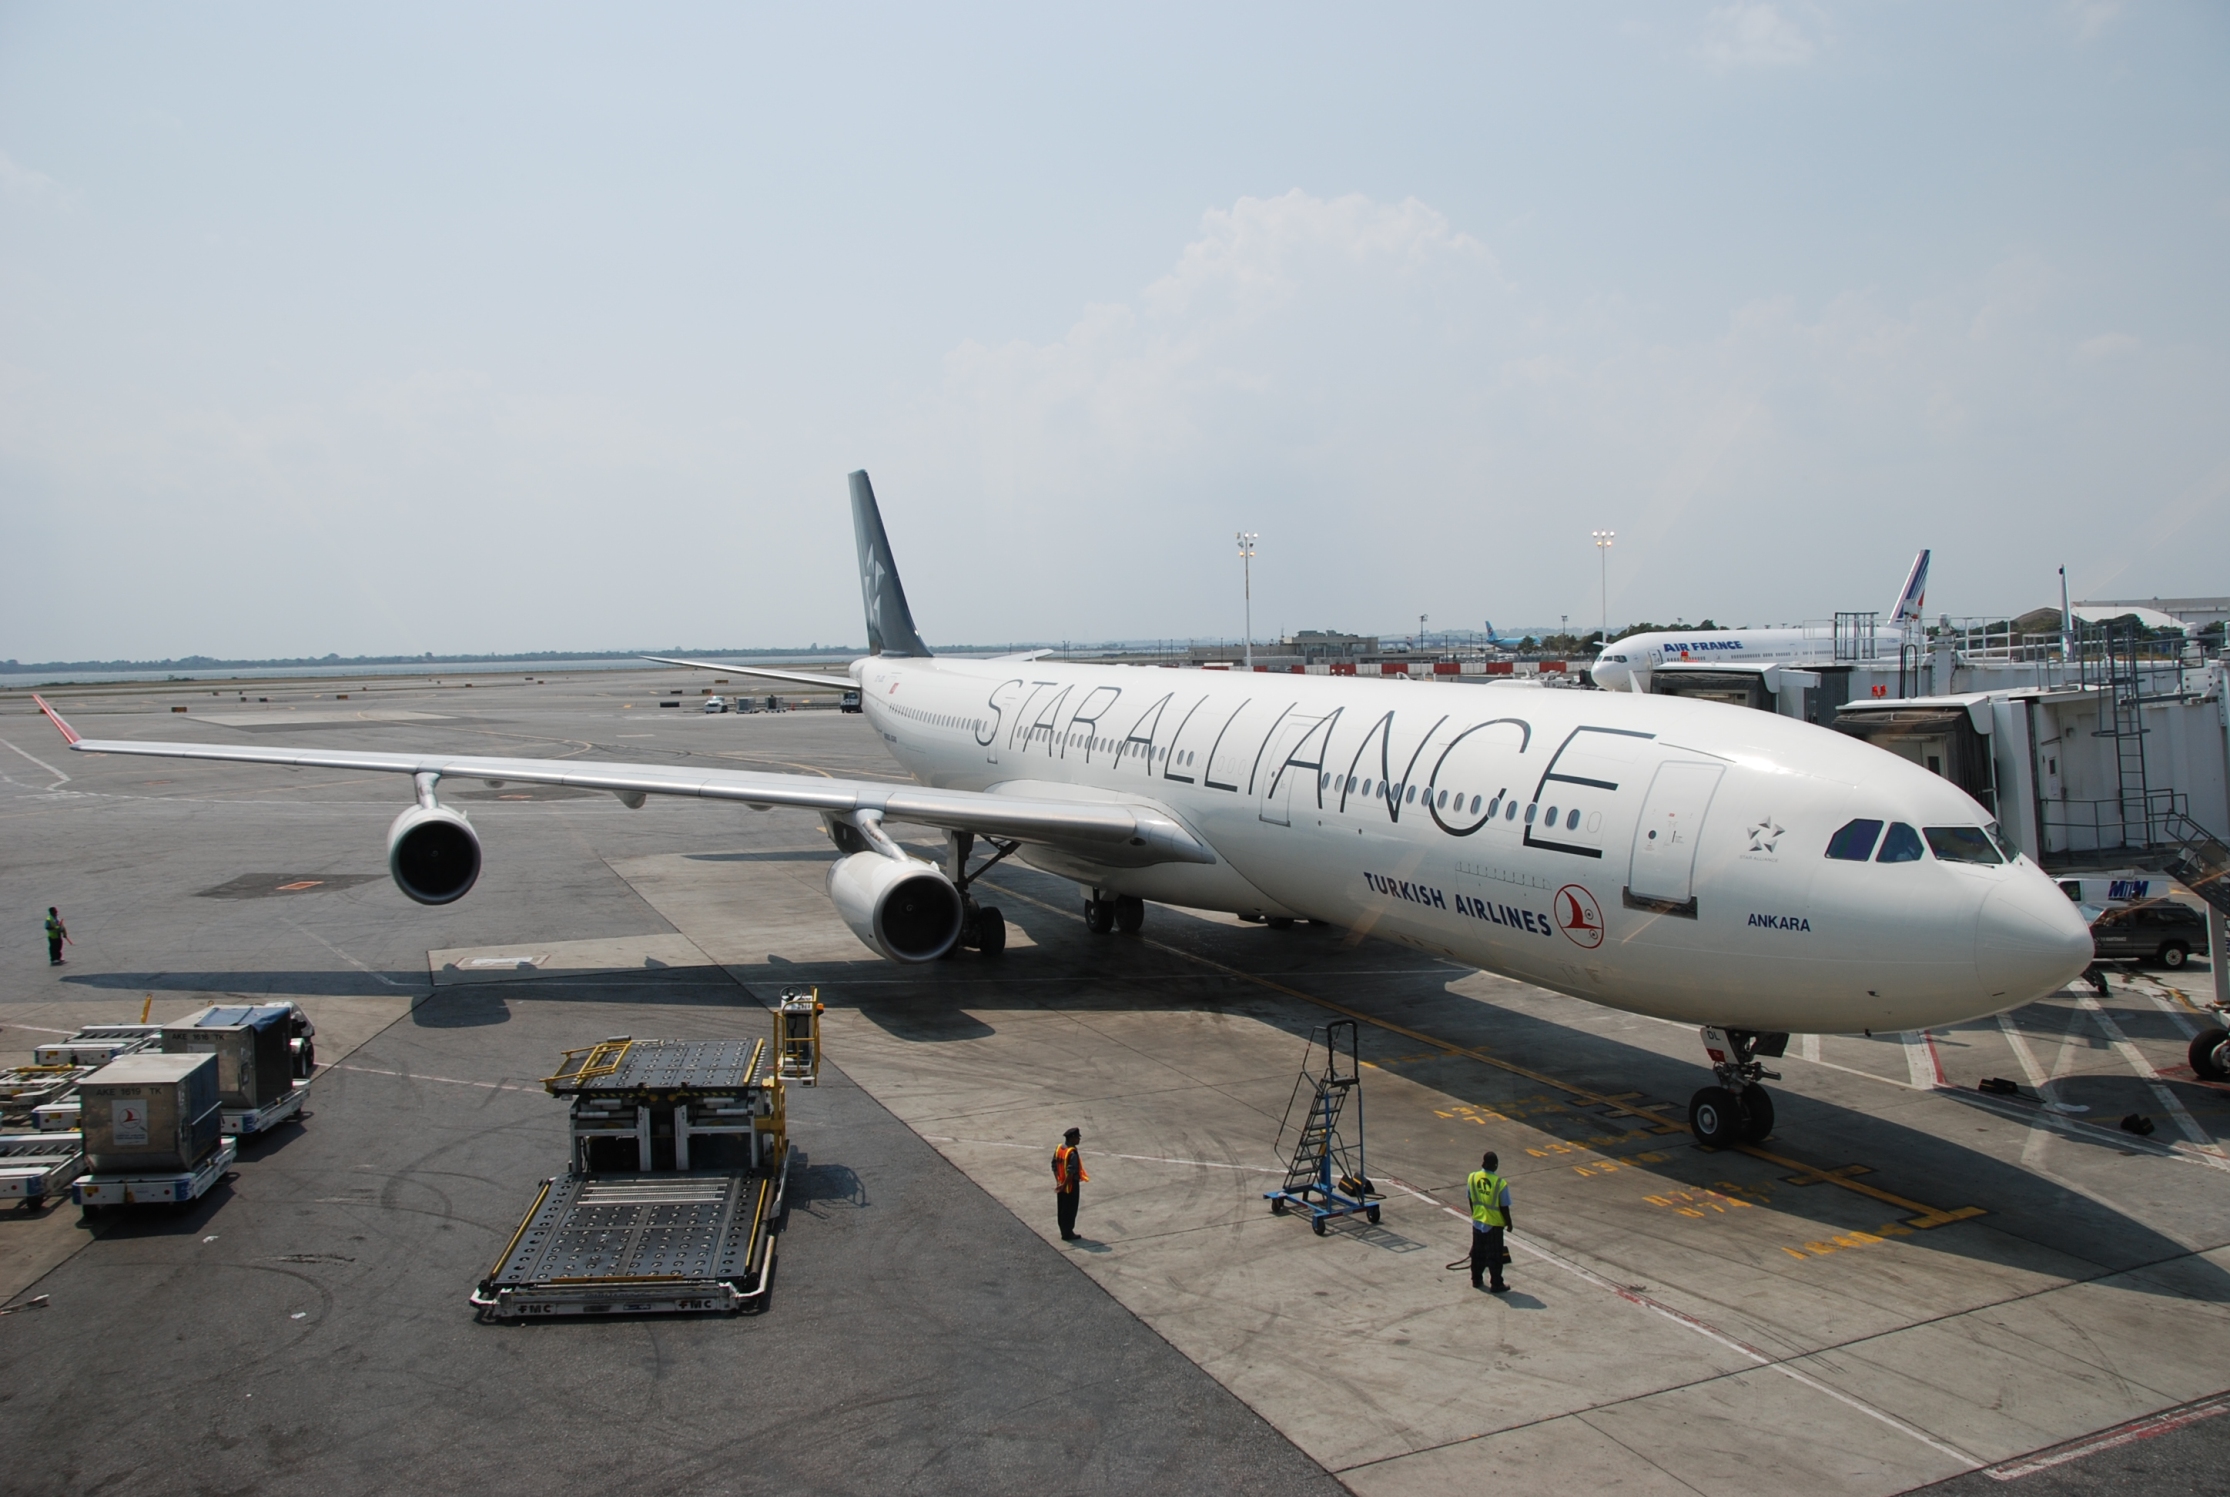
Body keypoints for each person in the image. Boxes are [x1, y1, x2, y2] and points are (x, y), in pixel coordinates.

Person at [1467, 1150, 1512, 1293]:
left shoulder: (1472, 1177)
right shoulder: (1500, 1183)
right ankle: (1496, 1283)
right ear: (1495, 1165)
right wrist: (1509, 1223)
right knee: (1495, 1255)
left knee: (1477, 1252)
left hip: (1478, 1221)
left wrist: (1475, 1213)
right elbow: (1504, 1207)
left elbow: (1470, 1198)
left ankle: (1476, 1279)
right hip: (1494, 1225)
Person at [1051, 1126, 1089, 1241]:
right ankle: (1068, 1233)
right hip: (1070, 1185)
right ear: (1072, 1138)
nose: (1079, 1140)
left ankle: (1064, 1231)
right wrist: (1064, 1184)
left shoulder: (1059, 1149)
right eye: (1077, 1137)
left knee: (1062, 1209)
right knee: (1070, 1209)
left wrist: (1059, 1182)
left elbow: (1054, 1166)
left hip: (1061, 1184)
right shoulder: (1071, 1153)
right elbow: (1071, 1171)